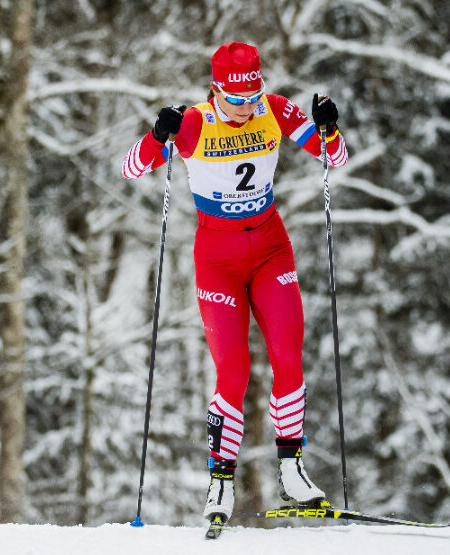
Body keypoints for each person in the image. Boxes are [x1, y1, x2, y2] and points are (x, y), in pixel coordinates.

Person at [122, 41, 348, 524]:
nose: (245, 110)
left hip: (270, 247)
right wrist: (156, 134)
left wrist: (330, 127)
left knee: (288, 353)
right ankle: (219, 483)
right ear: (216, 90)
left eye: (252, 98)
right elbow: (132, 167)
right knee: (234, 370)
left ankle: (292, 469)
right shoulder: (196, 123)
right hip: (218, 258)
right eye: (235, 100)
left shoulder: (275, 111)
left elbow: (335, 157)